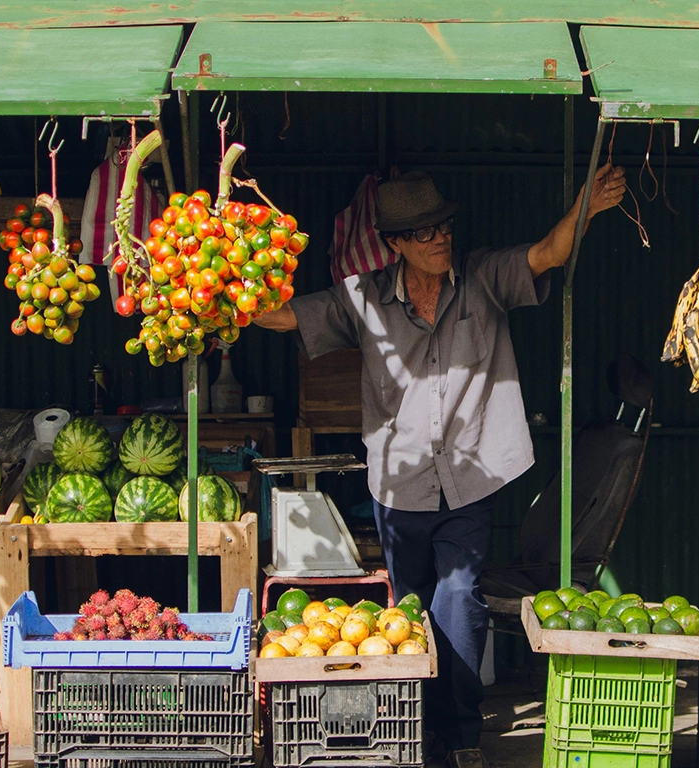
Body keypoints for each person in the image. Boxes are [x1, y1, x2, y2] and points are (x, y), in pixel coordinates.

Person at [254, 167, 626, 768]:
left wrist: (584, 209)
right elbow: (287, 316)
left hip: (471, 475)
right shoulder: (364, 298)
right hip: (399, 484)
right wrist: (223, 298)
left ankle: (459, 738)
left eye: (443, 227)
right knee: (409, 607)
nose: (439, 239)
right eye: (423, 232)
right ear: (396, 242)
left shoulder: (483, 278)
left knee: (458, 595)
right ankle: (414, 729)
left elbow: (548, 253)